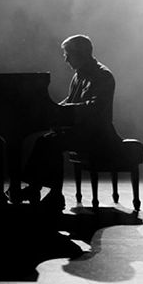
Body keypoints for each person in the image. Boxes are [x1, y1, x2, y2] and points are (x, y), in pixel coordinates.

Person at [20, 34, 122, 210]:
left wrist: (62, 110)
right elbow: (70, 100)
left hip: (99, 134)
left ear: (82, 53)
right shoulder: (78, 75)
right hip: (83, 131)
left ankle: (54, 195)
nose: (66, 59)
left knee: (51, 142)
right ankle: (36, 188)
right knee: (44, 140)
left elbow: (96, 107)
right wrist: (56, 108)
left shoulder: (103, 75)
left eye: (68, 54)